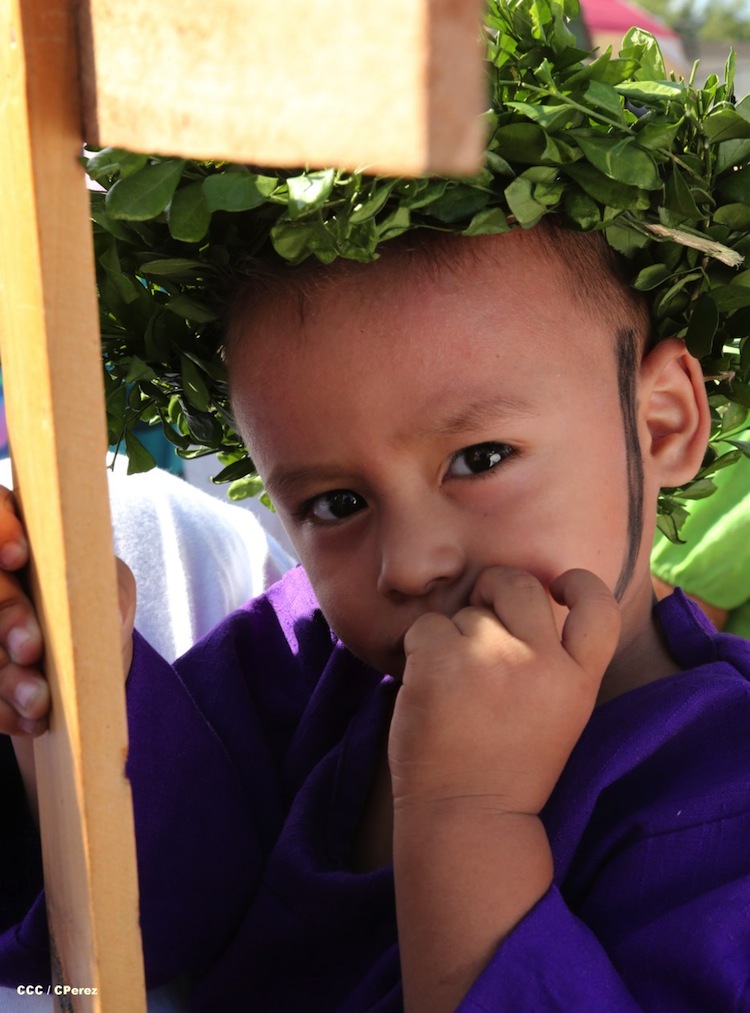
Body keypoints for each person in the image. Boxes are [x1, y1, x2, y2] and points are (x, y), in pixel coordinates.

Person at [0, 220, 748, 1011]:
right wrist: (81, 671)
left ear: (664, 422)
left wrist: (470, 820)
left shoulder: (723, 794)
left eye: (482, 458)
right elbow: (149, 931)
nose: (410, 561)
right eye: (337, 503)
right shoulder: (309, 660)